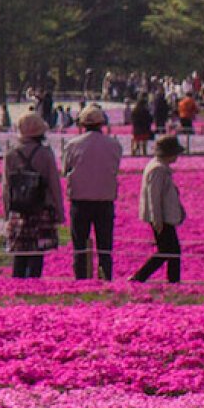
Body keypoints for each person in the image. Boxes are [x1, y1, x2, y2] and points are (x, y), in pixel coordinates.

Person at [0, 112, 67, 281]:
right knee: (37, 252)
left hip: (18, 210)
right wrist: (59, 212)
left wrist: (6, 212)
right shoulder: (45, 154)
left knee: (19, 252)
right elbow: (54, 185)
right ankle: (33, 286)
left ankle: (17, 285)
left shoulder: (11, 154)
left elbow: (6, 187)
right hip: (41, 209)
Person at [62, 105, 123, 282]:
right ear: (102, 123)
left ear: (82, 124)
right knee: (105, 245)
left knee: (80, 245)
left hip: (79, 200)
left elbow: (66, 170)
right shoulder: (114, 145)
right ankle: (106, 277)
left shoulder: (73, 145)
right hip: (105, 200)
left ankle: (81, 278)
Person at [130, 133, 187, 286]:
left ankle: (170, 280)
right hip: (162, 217)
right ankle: (141, 277)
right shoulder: (158, 169)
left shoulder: (160, 167)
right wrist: (157, 219)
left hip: (164, 216)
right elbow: (153, 196)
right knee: (168, 250)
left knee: (170, 250)